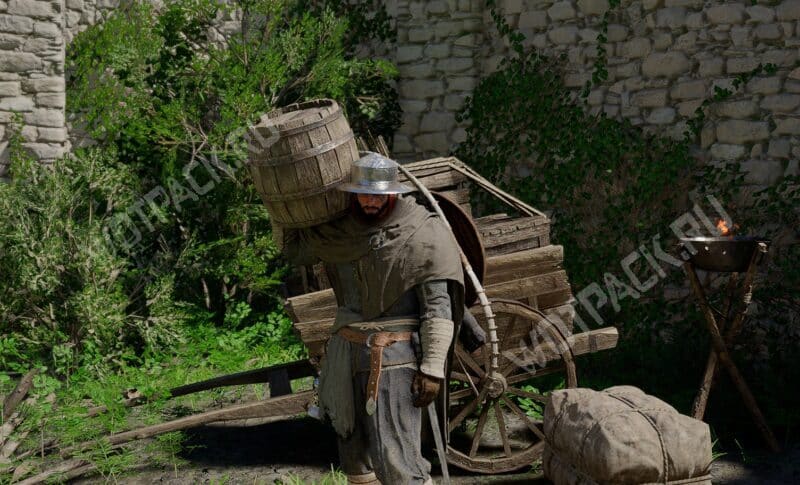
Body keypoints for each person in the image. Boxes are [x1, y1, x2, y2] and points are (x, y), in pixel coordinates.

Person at [275, 152, 466, 485]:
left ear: (393, 192)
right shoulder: (338, 234)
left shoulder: (424, 234)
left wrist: (433, 368)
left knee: (397, 461)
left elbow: (437, 307)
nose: (370, 201)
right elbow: (293, 250)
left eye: (378, 194)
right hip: (345, 357)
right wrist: (280, 203)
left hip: (395, 358)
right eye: (363, 193)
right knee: (355, 460)